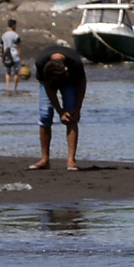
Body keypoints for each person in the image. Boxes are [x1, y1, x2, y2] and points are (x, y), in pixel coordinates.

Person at [32, 41, 86, 171]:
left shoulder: (75, 63)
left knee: (71, 115)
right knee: (45, 114)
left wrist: (77, 108)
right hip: (47, 83)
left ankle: (71, 160)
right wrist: (59, 111)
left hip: (70, 82)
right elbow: (48, 87)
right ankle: (45, 159)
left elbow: (82, 83)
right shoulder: (41, 63)